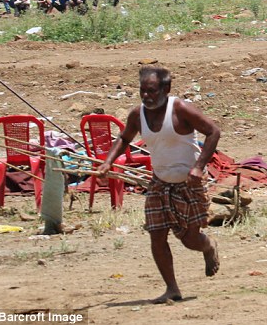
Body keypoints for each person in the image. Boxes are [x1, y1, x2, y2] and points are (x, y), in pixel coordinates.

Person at [95, 66, 221, 303]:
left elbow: (213, 132)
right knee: (157, 235)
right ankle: (172, 289)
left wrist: (198, 167)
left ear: (166, 89)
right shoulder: (137, 115)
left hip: (189, 184)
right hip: (159, 183)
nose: (146, 96)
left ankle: (208, 246)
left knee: (189, 240)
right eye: (142, 91)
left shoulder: (180, 109)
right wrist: (107, 163)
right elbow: (124, 139)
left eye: (151, 91)